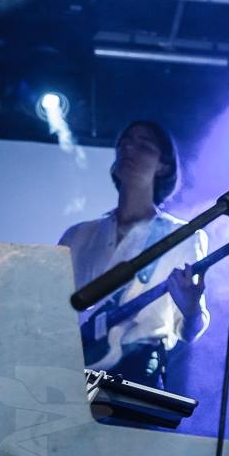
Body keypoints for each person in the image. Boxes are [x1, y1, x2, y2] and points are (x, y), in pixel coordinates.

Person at [59, 120, 208, 390]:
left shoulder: (182, 236)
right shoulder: (77, 236)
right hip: (68, 377)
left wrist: (191, 309)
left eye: (144, 145)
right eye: (125, 143)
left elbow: (188, 330)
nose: (129, 148)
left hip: (136, 380)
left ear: (164, 166)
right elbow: (52, 311)